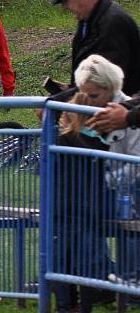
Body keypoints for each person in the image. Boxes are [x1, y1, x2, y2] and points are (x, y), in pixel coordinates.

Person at [52, 55, 125, 313]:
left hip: (97, 203)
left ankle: (83, 296)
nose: (88, 100)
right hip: (79, 205)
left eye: (93, 96)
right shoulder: (76, 115)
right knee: (69, 242)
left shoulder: (124, 113)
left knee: (73, 241)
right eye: (85, 94)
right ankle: (79, 299)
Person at [49, 0, 140, 96]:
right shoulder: (88, 20)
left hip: (116, 111)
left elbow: (102, 83)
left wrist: (58, 101)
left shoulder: (112, 24)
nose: (65, 7)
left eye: (66, 0)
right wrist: (69, 90)